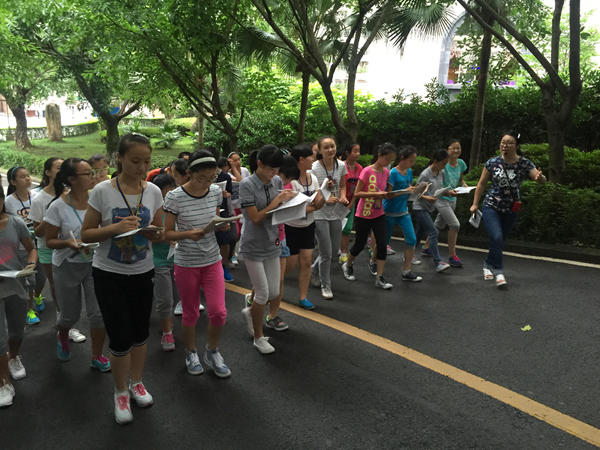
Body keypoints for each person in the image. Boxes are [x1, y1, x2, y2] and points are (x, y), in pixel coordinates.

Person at [81, 133, 164, 425]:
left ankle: (136, 382)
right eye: (135, 161)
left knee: (140, 333)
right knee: (119, 335)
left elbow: (160, 231)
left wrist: (153, 232)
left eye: (147, 161)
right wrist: (115, 229)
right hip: (109, 274)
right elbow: (86, 234)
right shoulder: (102, 191)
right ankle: (119, 392)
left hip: (143, 271)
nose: (142, 167)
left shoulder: (153, 191)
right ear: (120, 158)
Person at [163, 150, 231, 378]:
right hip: (186, 262)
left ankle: (212, 351)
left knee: (219, 312)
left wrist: (221, 225)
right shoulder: (174, 197)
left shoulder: (215, 192)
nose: (207, 183)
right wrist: (187, 234)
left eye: (212, 178)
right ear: (190, 173)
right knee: (190, 312)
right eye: (202, 178)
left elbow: (214, 219)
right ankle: (191, 352)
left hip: (212, 259)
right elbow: (166, 233)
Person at [44, 158, 110, 371]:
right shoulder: (57, 206)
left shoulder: (98, 201)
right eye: (88, 173)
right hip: (67, 265)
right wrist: (68, 243)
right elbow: (49, 241)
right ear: (71, 179)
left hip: (95, 263)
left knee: (98, 313)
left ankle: (97, 356)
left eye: (94, 172)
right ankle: (62, 334)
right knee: (69, 315)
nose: (93, 177)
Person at [239, 146, 296, 354]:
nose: (273, 174)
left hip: (273, 241)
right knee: (262, 294)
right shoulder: (247, 185)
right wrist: (276, 202)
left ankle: (251, 311)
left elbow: (279, 210)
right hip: (253, 244)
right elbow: (255, 217)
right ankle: (258, 337)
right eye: (270, 169)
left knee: (274, 291)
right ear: (259, 164)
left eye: (276, 170)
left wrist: (293, 202)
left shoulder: (277, 181)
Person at [470, 131, 546, 288]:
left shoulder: (524, 163)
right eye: (503, 142)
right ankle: (499, 272)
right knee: (496, 237)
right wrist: (475, 204)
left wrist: (541, 178)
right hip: (491, 205)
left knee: (499, 240)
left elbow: (538, 178)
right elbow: (481, 184)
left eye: (509, 143)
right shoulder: (492, 163)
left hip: (512, 208)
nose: (505, 145)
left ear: (517, 146)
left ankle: (487, 263)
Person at [0, 184, 37, 407]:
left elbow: (31, 248)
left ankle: (13, 357)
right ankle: (3, 382)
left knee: (16, 331)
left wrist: (31, 264)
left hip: (15, 283)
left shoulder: (15, 222)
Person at [341, 143, 396, 289]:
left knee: (382, 244)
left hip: (379, 213)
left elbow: (385, 193)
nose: (388, 163)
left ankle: (379, 277)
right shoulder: (366, 171)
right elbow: (357, 193)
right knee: (359, 244)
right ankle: (348, 264)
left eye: (391, 160)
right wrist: (375, 194)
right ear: (380, 155)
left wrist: (390, 194)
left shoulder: (386, 173)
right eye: (387, 159)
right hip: (363, 214)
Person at [283, 144, 325, 311]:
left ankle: (303, 297)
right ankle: (267, 289)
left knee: (307, 261)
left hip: (308, 225)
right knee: (289, 265)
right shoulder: (290, 181)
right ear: (301, 159)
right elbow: (291, 209)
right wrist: (313, 207)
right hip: (291, 227)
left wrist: (324, 194)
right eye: (311, 156)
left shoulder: (313, 178)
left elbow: (318, 201)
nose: (313, 159)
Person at [5, 167, 45, 325]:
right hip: (22, 247)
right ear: (13, 182)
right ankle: (29, 310)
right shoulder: (8, 202)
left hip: (40, 243)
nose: (28, 178)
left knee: (42, 278)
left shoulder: (36, 196)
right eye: (23, 177)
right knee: (30, 280)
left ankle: (37, 296)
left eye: (28, 175)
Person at [311, 136, 348, 299]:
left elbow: (343, 185)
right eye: (326, 147)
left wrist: (343, 196)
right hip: (319, 212)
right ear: (320, 150)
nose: (330, 150)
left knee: (333, 251)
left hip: (336, 212)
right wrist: (325, 199)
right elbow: (312, 192)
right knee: (325, 252)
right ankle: (325, 285)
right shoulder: (313, 168)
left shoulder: (341, 165)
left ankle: (314, 269)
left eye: (332, 146)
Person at [28, 158, 63, 317]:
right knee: (56, 284)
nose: (62, 170)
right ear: (48, 172)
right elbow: (38, 232)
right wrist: (49, 217)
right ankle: (62, 318)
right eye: (58, 167)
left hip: (69, 245)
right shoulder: (39, 199)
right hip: (48, 249)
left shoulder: (70, 194)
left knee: (72, 285)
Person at [383, 145, 422, 282]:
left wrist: (416, 190)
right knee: (383, 242)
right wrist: (405, 191)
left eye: (413, 161)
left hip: (403, 212)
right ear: (402, 158)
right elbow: (388, 194)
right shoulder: (393, 173)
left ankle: (407, 270)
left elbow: (409, 188)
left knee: (411, 239)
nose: (412, 163)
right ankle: (374, 262)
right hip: (389, 212)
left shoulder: (409, 172)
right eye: (411, 160)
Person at [150, 174, 180, 352]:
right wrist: (165, 237)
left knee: (176, 296)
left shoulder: (176, 207)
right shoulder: (153, 209)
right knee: (165, 298)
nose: (172, 191)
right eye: (168, 188)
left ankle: (167, 322)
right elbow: (148, 235)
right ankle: (167, 332)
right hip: (159, 260)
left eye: (173, 187)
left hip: (178, 259)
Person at [412, 150, 452, 274]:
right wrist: (427, 197)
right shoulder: (425, 174)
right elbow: (416, 192)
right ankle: (438, 262)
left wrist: (448, 192)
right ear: (435, 161)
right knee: (433, 232)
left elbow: (439, 189)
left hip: (429, 208)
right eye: (443, 163)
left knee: (419, 234)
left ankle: (409, 254)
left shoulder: (442, 172)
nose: (444, 166)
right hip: (419, 208)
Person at [433, 139, 468, 267]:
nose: (456, 150)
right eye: (453, 148)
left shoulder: (461, 163)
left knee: (438, 225)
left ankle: (426, 248)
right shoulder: (443, 164)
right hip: (442, 199)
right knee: (455, 225)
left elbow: (460, 180)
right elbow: (437, 184)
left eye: (458, 148)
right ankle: (452, 256)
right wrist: (447, 192)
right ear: (447, 150)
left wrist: (465, 186)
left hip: (453, 199)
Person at [339, 143, 362, 264]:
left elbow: (359, 188)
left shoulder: (360, 168)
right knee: (336, 228)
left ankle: (343, 252)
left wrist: (352, 202)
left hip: (351, 201)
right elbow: (338, 184)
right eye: (355, 151)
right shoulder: (340, 166)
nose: (357, 154)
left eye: (358, 151)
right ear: (347, 153)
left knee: (347, 228)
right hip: (338, 202)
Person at [215, 157, 237, 282]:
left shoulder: (225, 176)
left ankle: (224, 266)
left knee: (227, 239)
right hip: (206, 211)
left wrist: (226, 194)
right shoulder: (198, 177)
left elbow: (230, 193)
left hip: (223, 211)